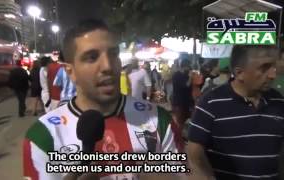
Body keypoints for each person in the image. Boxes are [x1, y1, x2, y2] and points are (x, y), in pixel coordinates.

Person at [23, 19, 183, 180]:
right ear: (70, 71)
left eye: (113, 54)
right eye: (92, 57)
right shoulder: (43, 135)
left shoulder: (158, 120)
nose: (107, 66)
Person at [187, 45, 284, 180]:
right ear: (239, 73)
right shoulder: (211, 102)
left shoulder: (278, 100)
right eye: (264, 67)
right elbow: (194, 155)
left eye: (273, 67)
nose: (273, 75)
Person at [172, 59, 194, 131]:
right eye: (189, 67)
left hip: (187, 102)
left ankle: (182, 137)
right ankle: (178, 138)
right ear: (185, 67)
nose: (190, 68)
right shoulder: (177, 75)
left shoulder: (186, 75)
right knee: (180, 122)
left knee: (186, 121)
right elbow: (187, 85)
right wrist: (190, 77)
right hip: (179, 102)